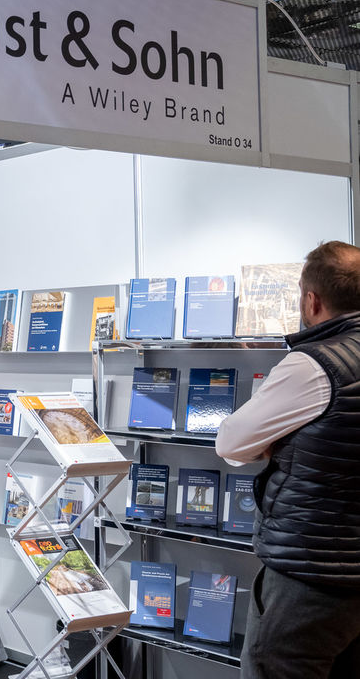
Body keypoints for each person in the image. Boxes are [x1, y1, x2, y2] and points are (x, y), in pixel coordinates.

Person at [215, 241, 360, 679]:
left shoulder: (313, 365)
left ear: (311, 301)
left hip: (310, 575)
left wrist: (280, 441)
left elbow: (231, 443)